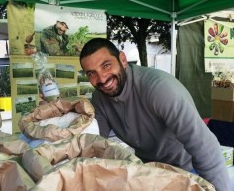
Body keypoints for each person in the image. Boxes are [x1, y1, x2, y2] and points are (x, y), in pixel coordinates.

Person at [79, 38, 230, 191]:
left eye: (106, 65)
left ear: (123, 60)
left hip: (187, 171)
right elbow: (95, 143)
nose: (102, 79)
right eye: (92, 73)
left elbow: (205, 148)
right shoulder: (99, 99)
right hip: (149, 172)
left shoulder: (160, 89)